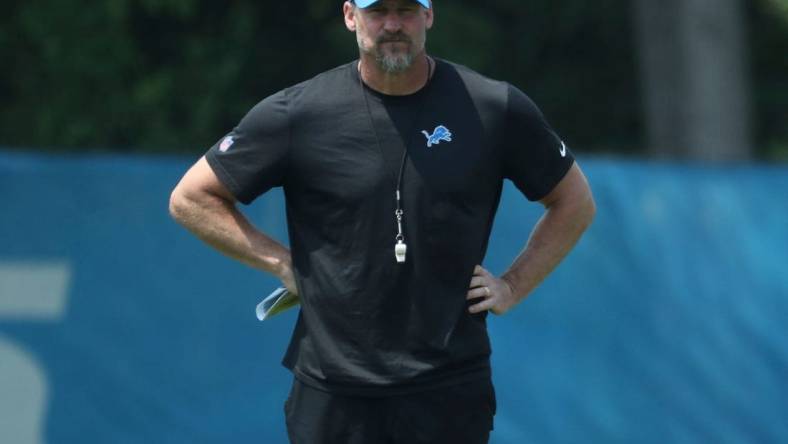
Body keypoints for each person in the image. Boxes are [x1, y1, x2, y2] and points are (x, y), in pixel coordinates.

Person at [169, 0, 596, 442]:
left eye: (407, 10)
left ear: (429, 15)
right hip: (333, 393)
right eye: (378, 11)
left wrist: (513, 284)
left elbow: (574, 202)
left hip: (447, 391)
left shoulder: (492, 105)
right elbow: (192, 197)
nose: (393, 25)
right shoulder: (299, 113)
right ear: (351, 15)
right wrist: (281, 264)